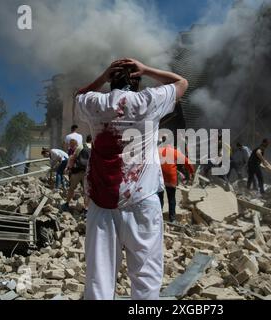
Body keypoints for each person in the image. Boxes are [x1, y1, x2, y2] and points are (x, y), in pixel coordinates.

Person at [75, 58, 188, 300]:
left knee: (99, 278)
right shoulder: (148, 100)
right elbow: (181, 82)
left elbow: (79, 94)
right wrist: (146, 69)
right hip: (143, 201)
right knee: (146, 276)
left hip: (102, 204)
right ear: (137, 81)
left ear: (111, 81)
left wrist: (102, 77)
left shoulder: (96, 103)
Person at [158, 142, 194, 223]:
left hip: (159, 177)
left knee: (160, 197)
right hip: (171, 178)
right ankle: (172, 219)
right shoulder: (174, 151)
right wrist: (192, 172)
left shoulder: (158, 151)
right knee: (171, 199)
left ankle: (158, 216)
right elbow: (186, 161)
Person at [61, 141, 91, 213]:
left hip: (77, 172)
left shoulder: (81, 146)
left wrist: (68, 168)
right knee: (86, 192)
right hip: (88, 173)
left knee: (71, 188)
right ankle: (86, 209)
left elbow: (72, 158)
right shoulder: (95, 147)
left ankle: (67, 204)